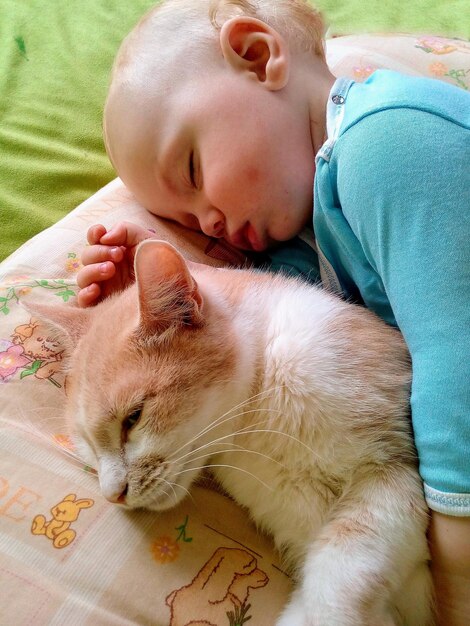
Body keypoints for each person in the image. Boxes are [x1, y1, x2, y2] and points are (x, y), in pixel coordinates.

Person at [76, 1, 470, 623]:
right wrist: (174, 282)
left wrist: (457, 559)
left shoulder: (386, 140)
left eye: (193, 170)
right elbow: (261, 312)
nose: (205, 221)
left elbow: (460, 351)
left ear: (259, 58)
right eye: (180, 221)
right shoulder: (311, 234)